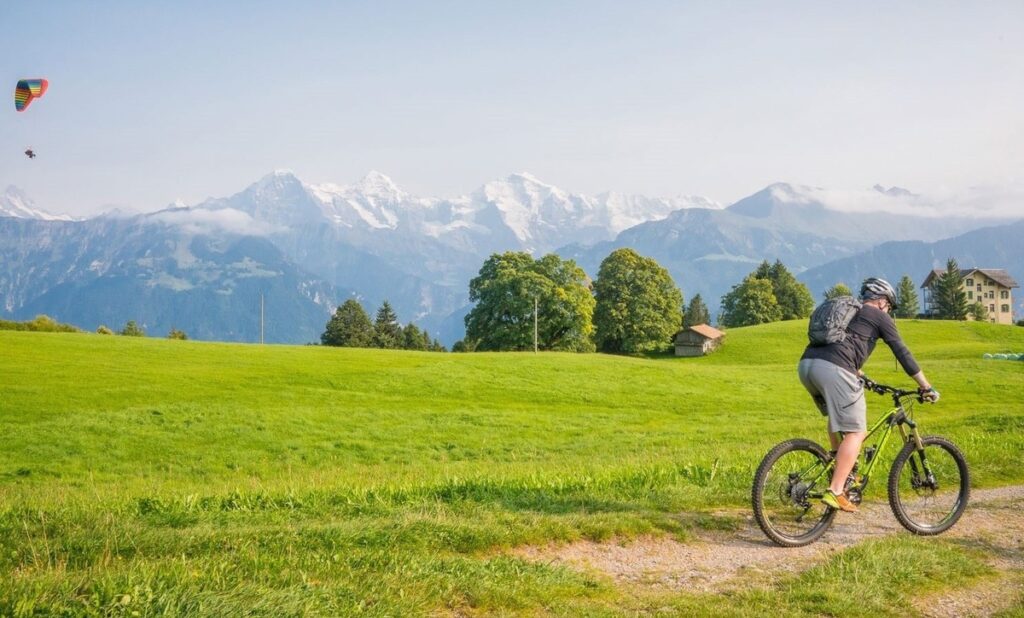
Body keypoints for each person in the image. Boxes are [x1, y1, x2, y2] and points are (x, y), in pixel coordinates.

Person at [798, 277, 938, 513]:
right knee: (856, 432)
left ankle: (836, 462)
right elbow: (901, 352)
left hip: (807, 366)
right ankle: (835, 490)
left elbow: (843, 345)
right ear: (883, 301)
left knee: (835, 416)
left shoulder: (851, 312)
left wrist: (861, 374)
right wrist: (925, 386)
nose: (889, 311)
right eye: (890, 306)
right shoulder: (879, 316)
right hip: (834, 369)